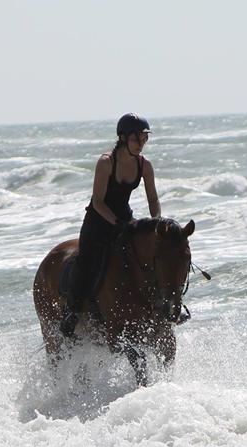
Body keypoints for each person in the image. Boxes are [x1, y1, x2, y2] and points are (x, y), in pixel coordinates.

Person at [60, 113, 161, 337]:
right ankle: (72, 311)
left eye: (145, 139)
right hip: (98, 221)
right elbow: (98, 201)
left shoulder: (145, 165)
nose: (142, 144)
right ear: (123, 137)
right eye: (138, 139)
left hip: (124, 219)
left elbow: (153, 199)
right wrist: (117, 224)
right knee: (86, 261)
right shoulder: (106, 162)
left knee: (148, 256)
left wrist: (156, 223)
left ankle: (162, 306)